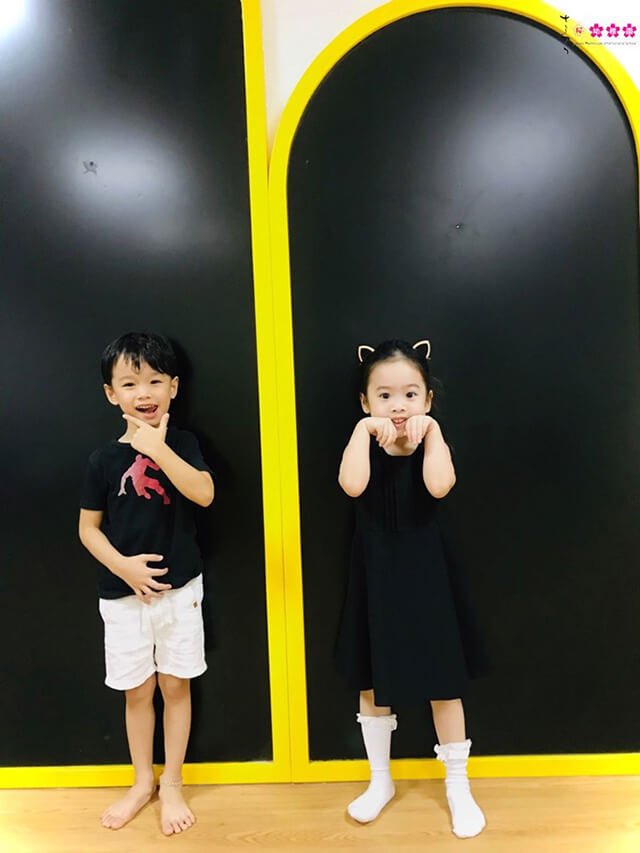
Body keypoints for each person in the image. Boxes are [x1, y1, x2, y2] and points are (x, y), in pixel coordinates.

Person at [336, 338, 487, 839]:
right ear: (366, 401)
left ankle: (458, 786)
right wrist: (362, 432)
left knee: (443, 680)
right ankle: (380, 781)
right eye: (384, 396)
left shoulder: (431, 439)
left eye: (409, 394)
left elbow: (439, 485)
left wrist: (433, 432)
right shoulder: (363, 440)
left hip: (427, 574)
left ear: (427, 398)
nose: (397, 406)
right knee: (371, 680)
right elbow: (353, 484)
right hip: (375, 572)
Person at [78, 332, 214, 835]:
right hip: (123, 596)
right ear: (111, 393)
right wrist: (125, 567)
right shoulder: (102, 460)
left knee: (176, 685)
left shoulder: (184, 444)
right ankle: (142, 781)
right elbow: (87, 529)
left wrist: (157, 448)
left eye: (155, 381)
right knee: (137, 691)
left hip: (180, 592)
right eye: (130, 383)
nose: (144, 393)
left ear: (173, 387)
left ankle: (172, 782)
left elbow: (204, 494)